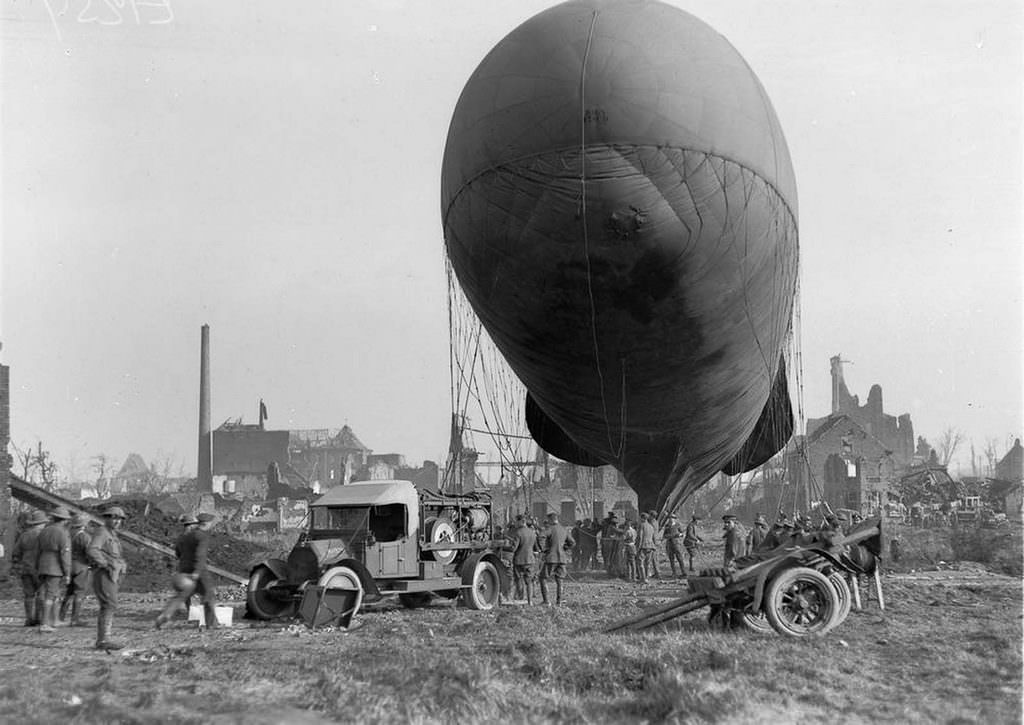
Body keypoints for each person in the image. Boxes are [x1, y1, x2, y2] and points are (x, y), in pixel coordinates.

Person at [88, 505, 128, 650]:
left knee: (110, 604)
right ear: (107, 519)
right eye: (114, 518)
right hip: (104, 573)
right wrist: (105, 564)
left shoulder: (112, 534)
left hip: (112, 573)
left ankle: (105, 638)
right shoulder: (102, 532)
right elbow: (92, 550)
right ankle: (103, 640)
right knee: (109, 604)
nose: (117, 522)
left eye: (119, 519)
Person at [35, 505, 73, 632]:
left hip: (42, 564)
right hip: (55, 567)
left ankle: (55, 620)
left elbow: (38, 549)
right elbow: (65, 555)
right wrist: (67, 573)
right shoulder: (63, 533)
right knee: (51, 595)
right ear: (64, 520)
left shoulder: (44, 530)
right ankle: (45, 623)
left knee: (53, 593)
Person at [11, 510, 48, 627]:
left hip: (26, 568)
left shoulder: (24, 535)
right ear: (42, 522)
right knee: (41, 594)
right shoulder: (45, 535)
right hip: (41, 568)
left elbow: (16, 552)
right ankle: (39, 618)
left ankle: (29, 619)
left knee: (29, 595)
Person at [60, 513, 93, 626]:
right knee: (79, 592)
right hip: (81, 566)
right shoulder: (85, 537)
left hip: (68, 566)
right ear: (84, 524)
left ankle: (61, 616)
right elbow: (90, 552)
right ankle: (74, 619)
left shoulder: (67, 534)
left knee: (68, 592)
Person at [537, 512, 574, 605]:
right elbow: (572, 543)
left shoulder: (550, 529)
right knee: (559, 579)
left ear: (550, 520)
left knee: (542, 578)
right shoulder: (564, 529)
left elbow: (540, 536)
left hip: (551, 558)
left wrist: (543, 549)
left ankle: (546, 601)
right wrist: (564, 548)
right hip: (562, 558)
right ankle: (559, 601)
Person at [509, 515, 539, 604]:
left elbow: (514, 548)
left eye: (516, 522)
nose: (515, 524)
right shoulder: (532, 532)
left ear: (521, 521)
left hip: (519, 560)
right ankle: (530, 602)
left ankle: (521, 599)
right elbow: (536, 548)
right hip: (530, 560)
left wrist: (506, 546)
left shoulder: (518, 533)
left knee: (518, 580)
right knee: (529, 581)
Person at [660, 512, 686, 578]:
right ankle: (674, 573)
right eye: (670, 518)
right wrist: (669, 536)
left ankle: (684, 572)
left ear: (675, 519)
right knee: (671, 559)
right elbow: (664, 535)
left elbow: (682, 534)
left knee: (680, 558)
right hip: (669, 544)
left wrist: (680, 535)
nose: (671, 519)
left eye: (672, 518)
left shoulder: (678, 525)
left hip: (677, 544)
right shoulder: (667, 526)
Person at [636, 513, 656, 583]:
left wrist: (638, 547)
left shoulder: (642, 525)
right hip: (650, 546)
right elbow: (653, 537)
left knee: (640, 562)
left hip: (643, 546)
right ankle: (647, 578)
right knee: (647, 563)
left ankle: (643, 578)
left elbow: (640, 537)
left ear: (642, 518)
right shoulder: (651, 526)